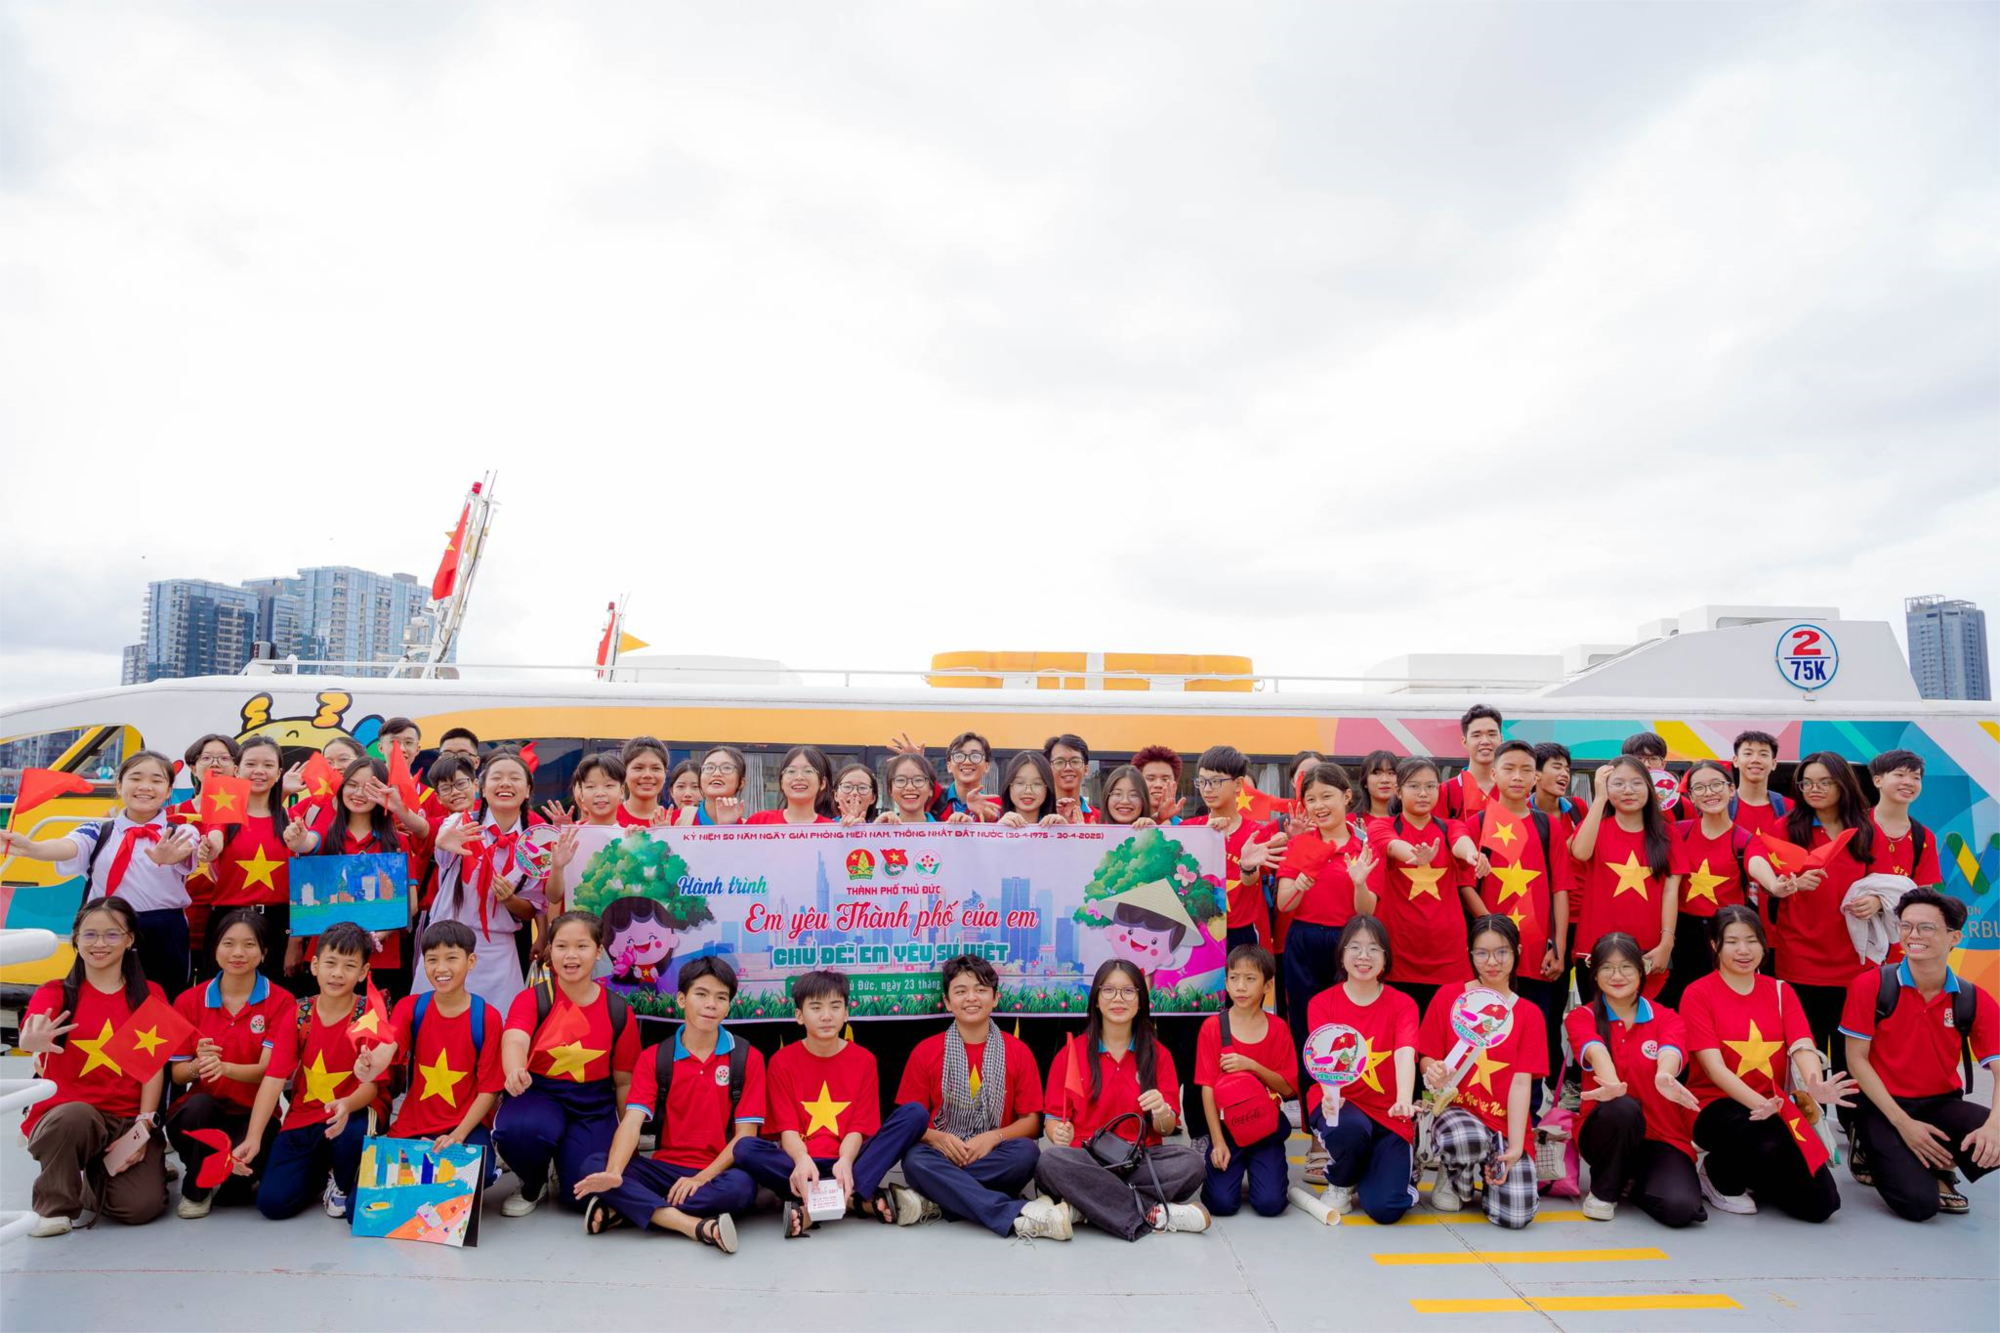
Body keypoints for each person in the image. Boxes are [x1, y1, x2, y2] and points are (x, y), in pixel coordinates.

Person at [572, 957, 762, 1252]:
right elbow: (632, 1122)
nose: (711, 1004)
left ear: (728, 1006)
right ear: (682, 999)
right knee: (594, 1165)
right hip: (663, 1168)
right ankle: (690, 1224)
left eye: (721, 997)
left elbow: (745, 1137)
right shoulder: (655, 1057)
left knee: (741, 1189)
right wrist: (615, 1172)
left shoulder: (747, 1057)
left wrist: (701, 1178)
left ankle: (629, 1208)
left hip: (716, 1172)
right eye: (701, 994)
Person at [1841, 888, 2000, 1221]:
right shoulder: (1871, 985)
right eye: (1906, 926)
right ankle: (1868, 1148)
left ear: (1954, 937)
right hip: (1883, 1105)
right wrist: (1904, 1124)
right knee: (1918, 1205)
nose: (1913, 935)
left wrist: (1994, 1127)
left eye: (1926, 927)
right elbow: (1857, 1059)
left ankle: (1941, 1162)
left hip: (1940, 1103)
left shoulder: (1972, 997)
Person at [732, 970, 931, 1236]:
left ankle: (813, 1207)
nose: (826, 1016)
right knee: (745, 1148)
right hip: (802, 1164)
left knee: (914, 1114)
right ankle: (853, 1201)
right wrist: (802, 1159)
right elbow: (787, 1131)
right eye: (816, 1008)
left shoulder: (864, 1060)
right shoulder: (781, 1061)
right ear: (799, 1015)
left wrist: (846, 1161)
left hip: (851, 1161)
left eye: (835, 1007)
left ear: (846, 1013)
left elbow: (857, 1128)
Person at [1682, 905, 1847, 1222]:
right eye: (1732, 942)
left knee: (1821, 1204)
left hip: (1775, 1105)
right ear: (1715, 945)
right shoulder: (1697, 993)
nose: (1743, 951)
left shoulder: (1781, 991)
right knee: (1763, 1139)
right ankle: (1717, 1174)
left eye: (1752, 940)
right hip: (1715, 1106)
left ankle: (1758, 1170)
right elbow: (1715, 1069)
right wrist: (1764, 1106)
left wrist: (1814, 1083)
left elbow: (1802, 1045)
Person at [17, 898, 171, 1236]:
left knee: (140, 1207)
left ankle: (96, 1177)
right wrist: (32, 1040)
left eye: (111, 934)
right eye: (89, 934)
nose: (99, 943)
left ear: (129, 939)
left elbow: (152, 1068)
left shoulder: (150, 994)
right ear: (76, 939)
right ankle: (55, 1207)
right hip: (69, 1116)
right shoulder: (55, 992)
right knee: (75, 1116)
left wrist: (144, 1126)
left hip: (125, 1119)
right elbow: (31, 1032)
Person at [1034, 960, 1209, 1239]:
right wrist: (1058, 1134)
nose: (1118, 999)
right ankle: (1153, 1214)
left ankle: (1085, 1206)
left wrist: (1162, 1111)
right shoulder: (1071, 1053)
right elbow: (1053, 1121)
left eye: (1128, 991)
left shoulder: (1158, 1054)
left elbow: (1165, 1129)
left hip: (1139, 1160)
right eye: (1109, 990)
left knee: (1191, 1164)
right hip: (1087, 1159)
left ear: (1140, 1001)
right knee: (1050, 1163)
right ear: (1096, 1000)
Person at [1, 749, 198, 998]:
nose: (145, 786)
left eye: (156, 780)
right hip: (106, 928)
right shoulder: (97, 831)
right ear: (120, 785)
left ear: (168, 790)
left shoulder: (181, 832)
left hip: (164, 931)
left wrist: (171, 857)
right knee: (98, 1000)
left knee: (164, 1003)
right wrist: (32, 848)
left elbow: (186, 851)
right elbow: (68, 847)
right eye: (135, 778)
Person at [887, 954, 1046, 1235]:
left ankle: (934, 1198)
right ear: (948, 1002)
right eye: (960, 991)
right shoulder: (926, 1051)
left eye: (980, 990)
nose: (971, 998)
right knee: (915, 1160)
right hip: (942, 1153)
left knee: (1026, 1153)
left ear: (995, 998)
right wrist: (937, 1138)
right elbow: (906, 1123)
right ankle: (1010, 1212)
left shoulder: (1018, 1051)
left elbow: (1032, 1123)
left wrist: (993, 1137)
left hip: (994, 1154)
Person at [495, 911, 640, 1216]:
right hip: (539, 1093)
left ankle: (566, 1160)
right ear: (551, 950)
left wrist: (630, 1141)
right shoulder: (532, 999)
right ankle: (533, 1182)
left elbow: (625, 1081)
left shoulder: (617, 1010)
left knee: (586, 1194)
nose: (571, 955)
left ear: (598, 951)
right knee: (519, 1130)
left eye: (582, 946)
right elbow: (515, 1039)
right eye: (561, 946)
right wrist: (514, 1069)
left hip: (593, 1105)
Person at [240, 922, 382, 1220]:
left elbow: (373, 1086)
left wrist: (347, 1104)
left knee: (353, 1133)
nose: (338, 973)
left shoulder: (369, 1015)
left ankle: (343, 1180)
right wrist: (253, 1137)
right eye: (330, 963)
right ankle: (321, 1171)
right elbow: (273, 1080)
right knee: (273, 1203)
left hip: (352, 1113)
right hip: (304, 1116)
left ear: (363, 972)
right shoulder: (299, 1014)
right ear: (315, 965)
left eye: (349, 966)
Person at [1566, 932, 1706, 1226]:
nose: (1617, 976)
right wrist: (1613, 1084)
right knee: (1623, 1107)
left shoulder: (1666, 1017)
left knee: (1680, 1209)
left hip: (1661, 1134)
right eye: (1607, 967)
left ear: (1642, 970)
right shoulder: (1581, 1017)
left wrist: (1664, 1075)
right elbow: (1595, 1051)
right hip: (1607, 1130)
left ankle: (1633, 1181)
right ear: (1595, 973)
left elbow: (1670, 1051)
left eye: (1626, 967)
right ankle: (1604, 1192)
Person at [1417, 916, 1546, 1228]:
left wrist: (1515, 1147)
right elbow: (1427, 1056)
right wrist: (1433, 1070)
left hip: (1502, 1123)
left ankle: (1490, 1179)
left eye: (1502, 952)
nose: (1492, 962)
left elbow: (1521, 1084)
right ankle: (1455, 1175)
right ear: (1470, 954)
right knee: (1466, 1138)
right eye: (1482, 953)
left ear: (1517, 952)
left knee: (1516, 1216)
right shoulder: (1448, 997)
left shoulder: (1529, 1014)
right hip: (1456, 1113)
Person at [166, 909, 295, 1218]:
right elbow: (178, 1073)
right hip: (203, 1111)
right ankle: (196, 1190)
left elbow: (269, 1071)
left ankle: (227, 1177)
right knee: (198, 1108)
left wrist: (224, 1068)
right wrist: (199, 1066)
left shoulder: (281, 1001)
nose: (238, 953)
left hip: (255, 1117)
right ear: (215, 948)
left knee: (235, 1195)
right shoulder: (188, 1001)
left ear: (264, 952)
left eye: (249, 944)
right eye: (228, 943)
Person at [1465, 741, 1572, 1092]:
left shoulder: (1548, 826)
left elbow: (1560, 889)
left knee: (1537, 1030)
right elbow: (1465, 886)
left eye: (1526, 769)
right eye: (1509, 769)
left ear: (1536, 777)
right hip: (1491, 955)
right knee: (1489, 1028)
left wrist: (1558, 947)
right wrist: (1495, 933)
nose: (1517, 776)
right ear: (1494, 773)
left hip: (1538, 953)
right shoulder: (1478, 823)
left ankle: (1535, 1108)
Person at [1766, 753, 1874, 1085]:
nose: (1815, 789)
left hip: (1855, 964)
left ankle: (1851, 1117)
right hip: (1799, 959)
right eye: (1807, 783)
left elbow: (1888, 884)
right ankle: (1810, 1118)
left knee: (1849, 1061)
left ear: (1843, 784)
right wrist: (1789, 882)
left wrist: (1876, 901)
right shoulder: (1786, 827)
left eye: (1825, 782)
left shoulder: (1866, 829)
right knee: (1805, 1058)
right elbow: (1760, 863)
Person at [1305, 915, 1420, 1223]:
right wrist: (1330, 1095)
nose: (1363, 956)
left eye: (1373, 949)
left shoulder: (1403, 1004)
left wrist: (1404, 1099)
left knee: (1386, 1208)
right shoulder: (1322, 1003)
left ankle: (1395, 1173)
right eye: (1354, 947)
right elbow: (1322, 1058)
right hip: (1343, 1106)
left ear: (1386, 957)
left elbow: (1405, 1052)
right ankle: (1341, 1180)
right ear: (1342, 954)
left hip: (1388, 1113)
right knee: (1350, 1128)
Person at [424, 749, 552, 1011]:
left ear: (527, 790)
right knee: (438, 1022)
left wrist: (509, 899)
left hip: (499, 950)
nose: (505, 783)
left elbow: (530, 909)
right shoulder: (461, 823)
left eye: (514, 778)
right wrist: (442, 842)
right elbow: (444, 847)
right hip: (448, 943)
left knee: (501, 1023)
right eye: (496, 777)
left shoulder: (534, 843)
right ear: (482, 789)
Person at [377, 921, 506, 1173]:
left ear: (471, 961)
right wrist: (369, 1063)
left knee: (480, 1173)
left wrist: (457, 1135)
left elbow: (489, 1090)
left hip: (466, 1125)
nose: (441, 968)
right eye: (432, 959)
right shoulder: (410, 1007)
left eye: (451, 958)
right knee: (386, 1179)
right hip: (413, 1124)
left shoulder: (487, 1017)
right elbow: (389, 1047)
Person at [1275, 763, 1375, 1059]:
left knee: (1348, 1021)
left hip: (1349, 942)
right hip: (1303, 941)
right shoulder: (1299, 845)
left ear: (1347, 796)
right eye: (1311, 799)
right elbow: (1284, 904)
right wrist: (1299, 885)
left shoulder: (1364, 847)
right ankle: (1309, 1087)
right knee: (1304, 1021)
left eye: (1326, 796)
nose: (1319, 806)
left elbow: (1366, 912)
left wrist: (1359, 883)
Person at [196, 735, 316, 983]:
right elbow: (214, 839)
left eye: (268, 765)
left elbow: (304, 871)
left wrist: (295, 940)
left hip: (278, 923)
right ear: (236, 770)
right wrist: (210, 849)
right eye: (251, 764)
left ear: (279, 773)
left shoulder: (292, 820)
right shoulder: (223, 815)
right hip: (228, 922)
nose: (259, 771)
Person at [1365, 757, 1479, 1018]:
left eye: (1430, 786)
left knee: (1446, 1033)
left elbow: (1461, 842)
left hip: (1448, 957)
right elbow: (1393, 846)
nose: (1424, 793)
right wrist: (1416, 855)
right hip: (1398, 955)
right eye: (1414, 786)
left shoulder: (1451, 826)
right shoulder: (1381, 827)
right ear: (1398, 791)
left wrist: (1472, 854)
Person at [1195, 945, 1298, 1219]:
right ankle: (1234, 1174)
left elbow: (1287, 1088)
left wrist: (1251, 1065)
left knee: (1270, 1204)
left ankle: (1262, 1171)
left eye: (1250, 979)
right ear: (1226, 982)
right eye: (1234, 978)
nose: (1241, 987)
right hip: (1228, 1128)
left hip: (1266, 1127)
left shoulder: (1278, 1028)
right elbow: (1207, 1088)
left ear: (1268, 985)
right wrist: (1217, 1141)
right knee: (1220, 1204)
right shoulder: (1213, 1027)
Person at [1571, 754, 1684, 1000]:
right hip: (1595, 949)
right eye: (1618, 783)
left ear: (1649, 788)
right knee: (1599, 1020)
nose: (1628, 790)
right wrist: (1599, 798)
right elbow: (1580, 852)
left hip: (1648, 950)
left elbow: (1670, 891)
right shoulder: (1596, 826)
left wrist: (1666, 943)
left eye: (1636, 783)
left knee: (1646, 1021)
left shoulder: (1668, 835)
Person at [1668, 761, 1778, 1007]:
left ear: (1731, 790)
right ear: (1691, 797)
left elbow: (1757, 862)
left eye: (1716, 784)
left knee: (1726, 1003)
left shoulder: (1744, 839)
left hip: (1727, 933)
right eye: (1699, 788)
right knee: (1683, 1002)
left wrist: (1774, 885)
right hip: (1683, 933)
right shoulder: (1678, 832)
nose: (1709, 792)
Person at [1183, 746, 1280, 951]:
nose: (1207, 789)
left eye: (1216, 781)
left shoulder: (1256, 833)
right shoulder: (1189, 829)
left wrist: (1247, 867)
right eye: (1202, 781)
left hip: (1240, 931)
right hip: (1197, 928)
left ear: (1238, 784)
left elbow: (1250, 881)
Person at [1867, 750, 1943, 888]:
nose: (1909, 782)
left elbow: (1924, 893)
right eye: (1899, 775)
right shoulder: (1854, 824)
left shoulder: (1924, 837)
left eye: (1916, 777)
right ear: (1878, 781)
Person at [1439, 704, 1503, 820]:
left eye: (1492, 734)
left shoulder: (1514, 787)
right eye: (1476, 735)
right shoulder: (1446, 791)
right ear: (1464, 742)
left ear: (1501, 739)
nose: (1485, 741)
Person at [744, 745, 835, 824]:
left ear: (822, 783)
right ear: (781, 783)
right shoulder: (759, 821)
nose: (799, 777)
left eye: (808, 771)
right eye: (791, 771)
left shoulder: (832, 829)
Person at [1729, 731, 1790, 843]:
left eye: (1763, 754)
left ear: (1774, 764)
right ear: (1735, 761)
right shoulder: (1722, 806)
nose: (1755, 760)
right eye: (1748, 753)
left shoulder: (1790, 808)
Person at [672, 746, 749, 826]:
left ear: (741, 782)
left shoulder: (750, 827)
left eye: (726, 768)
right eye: (709, 768)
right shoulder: (674, 819)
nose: (716, 773)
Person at [937, 731, 1000, 821]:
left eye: (975, 756)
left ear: (986, 766)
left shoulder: (996, 805)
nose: (967, 761)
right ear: (949, 766)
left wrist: (990, 819)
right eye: (959, 756)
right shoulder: (934, 800)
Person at [995, 751, 1064, 827]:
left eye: (1037, 783)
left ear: (1047, 788)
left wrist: (1066, 830)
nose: (1028, 791)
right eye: (1020, 783)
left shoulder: (1058, 825)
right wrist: (998, 830)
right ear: (1009, 786)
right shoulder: (994, 822)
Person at [616, 738, 673, 827]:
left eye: (656, 768)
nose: (647, 775)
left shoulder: (677, 823)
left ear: (665, 774)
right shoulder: (608, 817)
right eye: (638, 768)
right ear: (624, 773)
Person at [1621, 731, 1679, 815]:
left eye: (1653, 759)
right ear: (1626, 763)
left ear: (1663, 764)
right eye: (1639, 758)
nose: (1646, 765)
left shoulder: (1678, 802)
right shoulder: (1614, 799)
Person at [1043, 733, 1097, 823]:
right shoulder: (1038, 815)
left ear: (1086, 769)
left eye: (1075, 761)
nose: (1068, 768)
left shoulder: (1099, 819)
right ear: (1049, 769)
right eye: (1059, 762)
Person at [1133, 744, 1188, 824]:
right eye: (1151, 778)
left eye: (1165, 779)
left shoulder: (1184, 827)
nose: (1158, 785)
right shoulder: (1124, 826)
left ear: (1175, 785)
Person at [1095, 764, 1158, 828]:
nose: (1125, 801)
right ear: (1107, 798)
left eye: (1134, 795)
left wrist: (1153, 830)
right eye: (1117, 794)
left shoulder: (1152, 828)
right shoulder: (1095, 828)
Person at [1359, 750, 1400, 821]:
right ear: (1365, 782)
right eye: (1376, 773)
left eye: (1391, 773)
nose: (1385, 780)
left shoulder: (1413, 821)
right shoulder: (1351, 822)